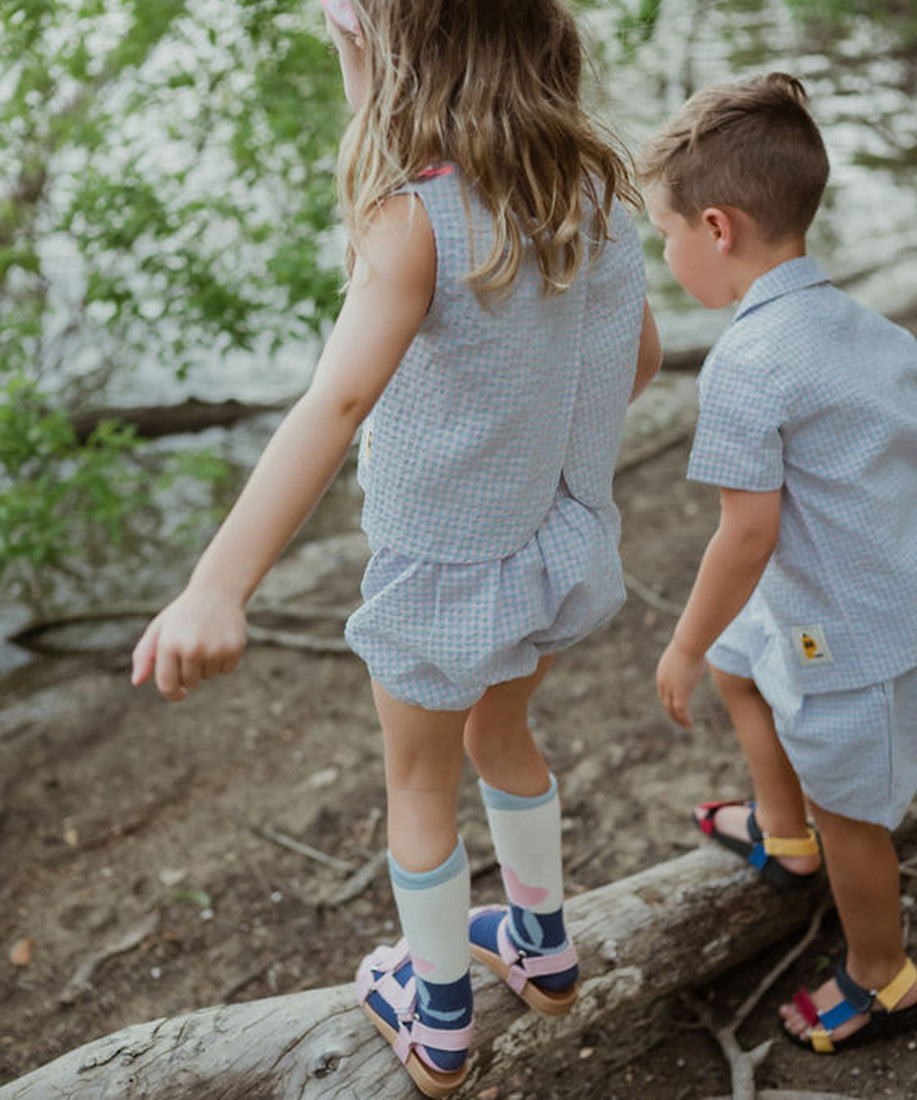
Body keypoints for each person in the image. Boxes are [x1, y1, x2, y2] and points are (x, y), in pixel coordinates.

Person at [131, 0, 660, 1093]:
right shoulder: (597, 193)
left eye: (349, 47)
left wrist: (215, 584)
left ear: (397, 61)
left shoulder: (412, 219)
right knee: (503, 738)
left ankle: (438, 1015)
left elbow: (332, 405)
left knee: (417, 785)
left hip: (441, 579)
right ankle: (543, 945)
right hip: (553, 545)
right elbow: (638, 356)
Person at [637, 73, 917, 1054]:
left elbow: (744, 534)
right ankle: (783, 835)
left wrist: (681, 643)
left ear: (716, 226)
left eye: (665, 235)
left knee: (853, 813)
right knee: (749, 658)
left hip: (857, 638)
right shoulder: (868, 328)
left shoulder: (746, 363)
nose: (664, 255)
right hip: (901, 590)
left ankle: (881, 973)